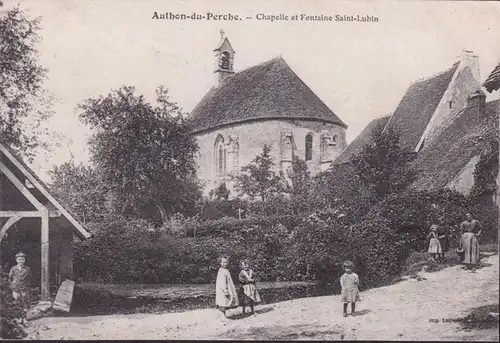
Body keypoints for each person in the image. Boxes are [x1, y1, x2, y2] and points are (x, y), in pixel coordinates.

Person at [8, 252, 32, 325]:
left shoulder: (27, 269)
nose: (20, 261)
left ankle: (24, 318)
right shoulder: (13, 269)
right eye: (19, 259)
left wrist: (27, 286)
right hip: (16, 289)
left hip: (25, 289)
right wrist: (13, 285)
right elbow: (9, 278)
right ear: (16, 260)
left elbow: (30, 278)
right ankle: (19, 318)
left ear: (24, 260)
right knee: (17, 303)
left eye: (22, 259)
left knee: (25, 303)